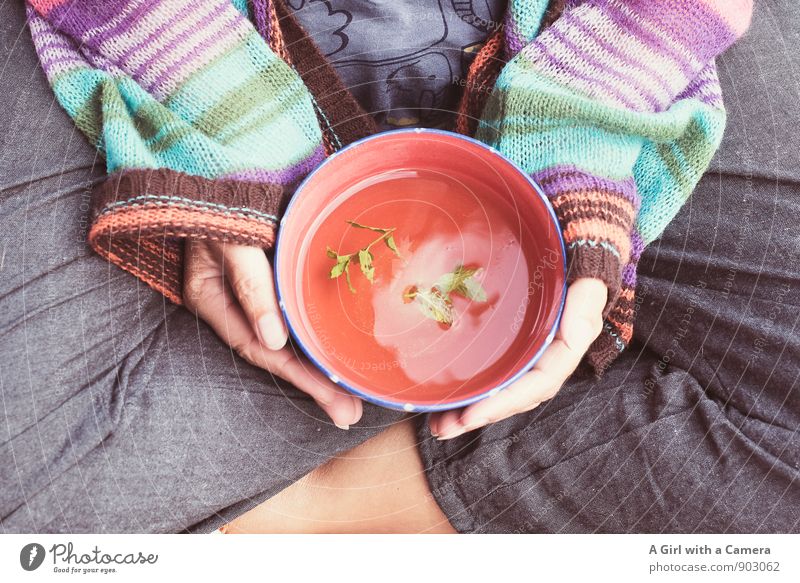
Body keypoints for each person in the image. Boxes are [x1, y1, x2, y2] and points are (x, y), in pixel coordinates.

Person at [3, 0, 796, 534]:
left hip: (595, 31)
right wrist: (208, 98)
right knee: (29, 509)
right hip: (170, 28)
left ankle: (342, 472)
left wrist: (593, 101)